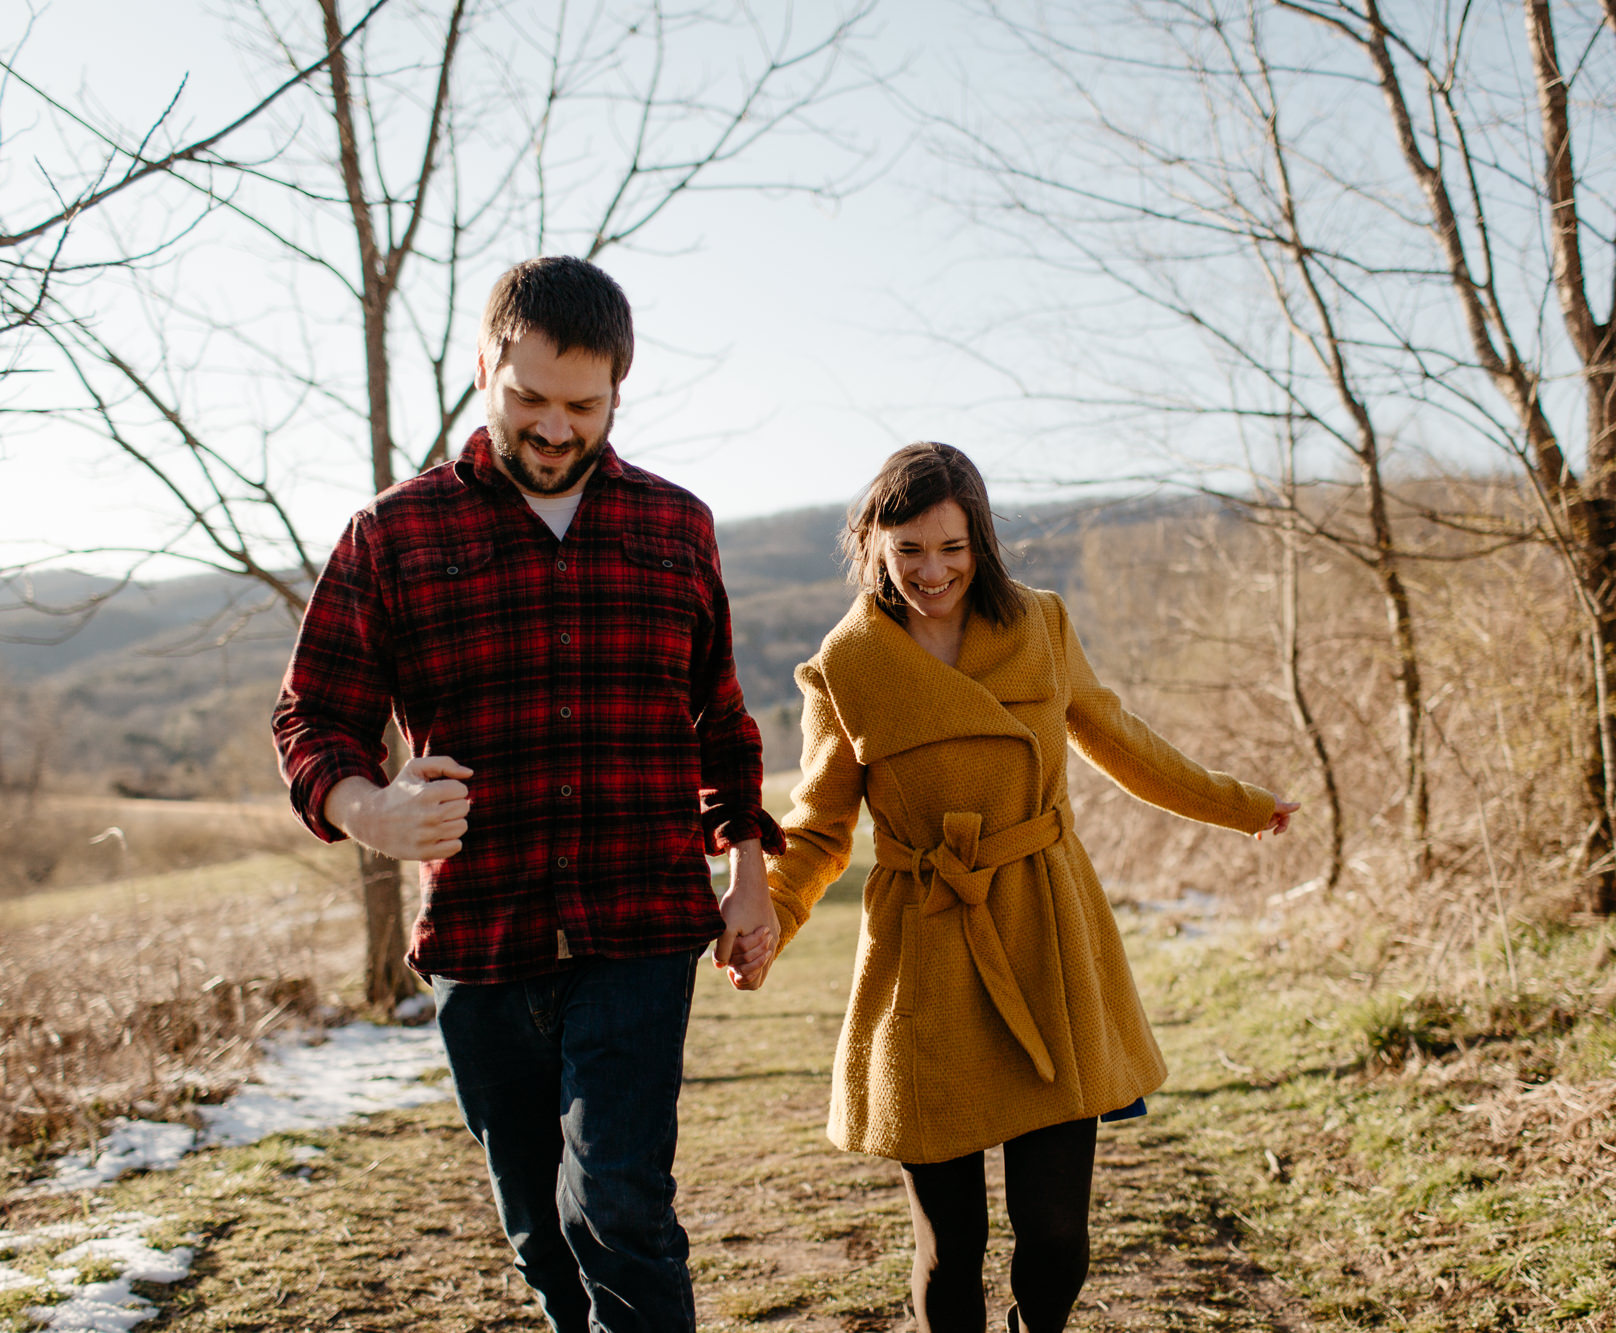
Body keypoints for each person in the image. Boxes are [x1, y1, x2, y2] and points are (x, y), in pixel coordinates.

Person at [271, 255, 780, 1333]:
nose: (555, 428)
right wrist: (370, 808)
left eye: (582, 405)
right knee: (540, 1233)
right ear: (483, 368)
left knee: (618, 1205)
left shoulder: (676, 527)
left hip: (641, 921)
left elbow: (720, 726)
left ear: (617, 392)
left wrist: (749, 880)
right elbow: (310, 718)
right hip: (482, 934)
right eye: (529, 399)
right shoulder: (391, 536)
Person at [751, 442, 1297, 1332]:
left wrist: (1237, 805)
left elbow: (1122, 739)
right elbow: (817, 828)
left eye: (952, 548)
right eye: (909, 551)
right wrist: (770, 918)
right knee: (950, 1245)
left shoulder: (1040, 625)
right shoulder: (846, 667)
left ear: (983, 542)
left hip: (1044, 929)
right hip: (924, 952)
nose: (932, 572)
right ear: (875, 547)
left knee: (1057, 1239)